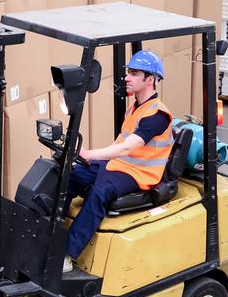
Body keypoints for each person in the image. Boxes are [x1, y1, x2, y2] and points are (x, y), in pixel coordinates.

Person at [63, 50, 174, 273]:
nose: (127, 77)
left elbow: (126, 147)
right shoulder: (135, 106)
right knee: (72, 175)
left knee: (98, 192)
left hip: (139, 174)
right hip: (120, 165)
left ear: (150, 79)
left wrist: (89, 154)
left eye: (134, 73)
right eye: (128, 73)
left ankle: (66, 255)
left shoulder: (158, 115)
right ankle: (47, 230)